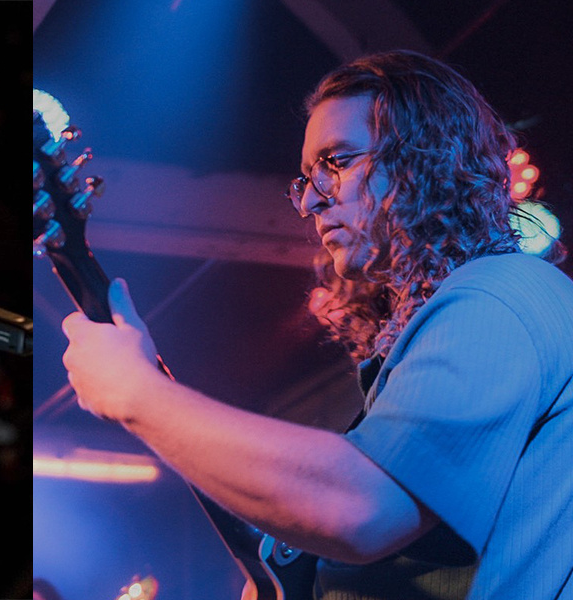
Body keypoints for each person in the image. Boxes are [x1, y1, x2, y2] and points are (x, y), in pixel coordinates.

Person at [61, 50, 573, 599]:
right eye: (306, 177)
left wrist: (136, 394)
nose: (309, 202)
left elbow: (365, 507)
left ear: (426, 156)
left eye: (337, 161)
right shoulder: (465, 314)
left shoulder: (501, 291)